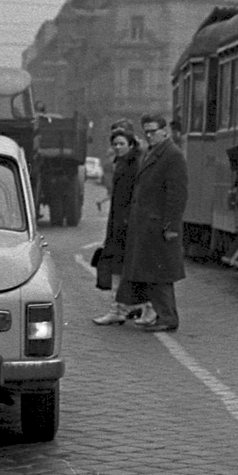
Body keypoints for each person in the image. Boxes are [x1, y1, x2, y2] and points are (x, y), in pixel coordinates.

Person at [116, 112, 188, 333]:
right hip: (148, 225)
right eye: (146, 132)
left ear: (164, 131)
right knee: (153, 273)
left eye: (153, 132)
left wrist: (171, 228)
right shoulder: (153, 152)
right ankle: (160, 315)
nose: (149, 136)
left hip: (159, 226)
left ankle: (168, 317)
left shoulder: (172, 155)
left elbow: (177, 195)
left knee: (160, 275)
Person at [91, 122, 142, 323]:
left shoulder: (132, 165)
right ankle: (124, 308)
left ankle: (119, 309)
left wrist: (126, 219)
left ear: (130, 144)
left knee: (119, 267)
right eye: (115, 144)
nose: (118, 147)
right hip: (118, 222)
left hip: (124, 224)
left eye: (121, 143)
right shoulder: (123, 163)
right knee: (119, 267)